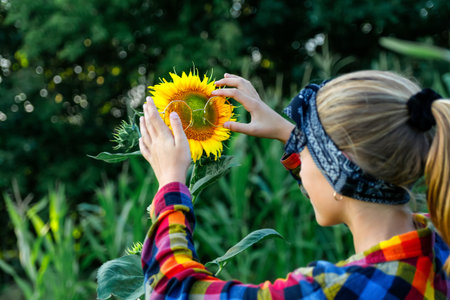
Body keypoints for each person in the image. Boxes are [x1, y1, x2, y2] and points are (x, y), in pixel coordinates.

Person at [138, 70, 450, 299]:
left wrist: (170, 182)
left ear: (339, 167)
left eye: (306, 148)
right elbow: (344, 173)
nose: (299, 156)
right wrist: (291, 135)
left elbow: (172, 290)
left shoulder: (332, 290)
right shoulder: (437, 248)